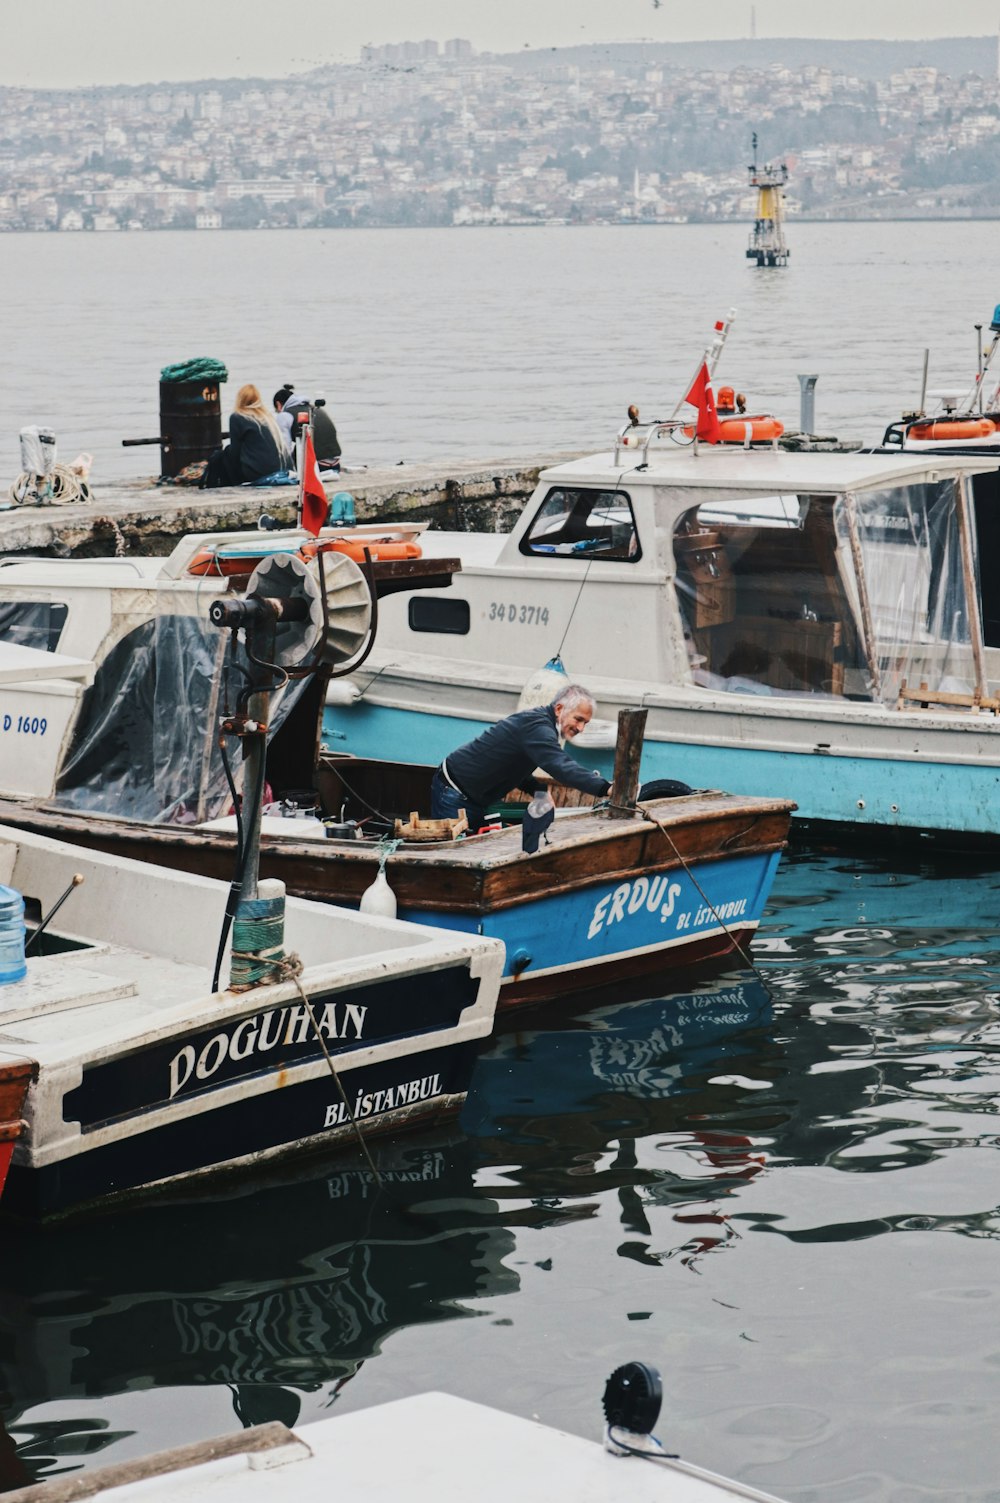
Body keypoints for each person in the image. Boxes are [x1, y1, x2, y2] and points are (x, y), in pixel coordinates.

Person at [430, 685, 611, 833]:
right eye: (578, 719)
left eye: (585, 723)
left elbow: (514, 763)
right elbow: (560, 765)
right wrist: (606, 788)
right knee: (457, 854)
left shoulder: (540, 726)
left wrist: (538, 790)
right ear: (559, 709)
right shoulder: (538, 728)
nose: (581, 728)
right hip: (454, 792)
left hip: (475, 796)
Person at [201, 383, 290, 488]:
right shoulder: (267, 417)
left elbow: (235, 452)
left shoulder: (237, 417)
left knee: (223, 455)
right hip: (281, 471)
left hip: (258, 474)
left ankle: (227, 487)